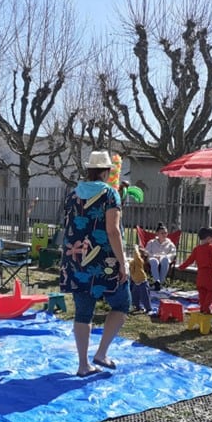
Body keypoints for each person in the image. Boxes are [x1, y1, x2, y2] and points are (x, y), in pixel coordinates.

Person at [59, 151, 130, 377]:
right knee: (121, 304)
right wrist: (123, 262)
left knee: (83, 312)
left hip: (75, 260)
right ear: (107, 172)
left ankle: (83, 365)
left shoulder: (72, 194)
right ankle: (101, 353)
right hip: (105, 262)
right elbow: (112, 230)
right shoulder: (110, 194)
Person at [178, 226, 212, 314]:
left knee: (202, 292)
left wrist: (182, 267)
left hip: (200, 274)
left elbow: (190, 260)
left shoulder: (196, 249)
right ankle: (206, 308)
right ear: (208, 238)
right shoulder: (210, 247)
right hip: (210, 274)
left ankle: (202, 308)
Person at [145, 222, 176, 291]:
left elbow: (173, 253)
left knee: (165, 260)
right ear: (157, 234)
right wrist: (154, 256)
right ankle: (158, 282)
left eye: (166, 233)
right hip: (153, 258)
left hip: (164, 259)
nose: (164, 235)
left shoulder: (170, 244)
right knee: (154, 261)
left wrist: (163, 257)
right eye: (162, 233)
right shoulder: (151, 242)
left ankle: (158, 283)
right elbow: (146, 252)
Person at [129, 245, 152, 314]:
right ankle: (137, 307)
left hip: (142, 282)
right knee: (134, 295)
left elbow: (137, 256)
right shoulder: (133, 262)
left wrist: (136, 248)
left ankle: (148, 309)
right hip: (136, 282)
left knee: (145, 296)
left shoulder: (139, 261)